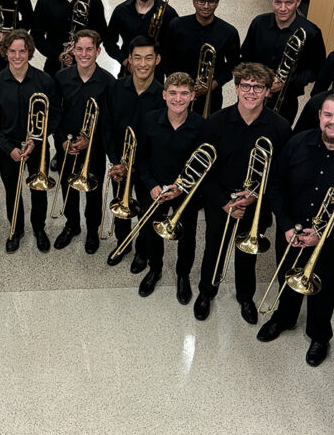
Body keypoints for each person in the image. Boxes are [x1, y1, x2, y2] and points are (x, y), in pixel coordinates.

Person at [259, 94, 334, 366]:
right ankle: (284, 318)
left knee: (324, 289)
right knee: (288, 276)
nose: (333, 121)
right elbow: (276, 187)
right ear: (320, 116)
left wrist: (321, 234)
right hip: (293, 232)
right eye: (328, 115)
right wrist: (287, 226)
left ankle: (318, 335)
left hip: (333, 241)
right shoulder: (297, 144)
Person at [195, 63, 291, 323]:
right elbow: (204, 169)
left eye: (258, 87)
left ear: (267, 92)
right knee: (214, 248)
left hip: (255, 203)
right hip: (221, 199)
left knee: (248, 253)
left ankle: (245, 297)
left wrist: (254, 196)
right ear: (236, 88)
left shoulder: (280, 128)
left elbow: (281, 175)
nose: (251, 92)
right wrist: (225, 202)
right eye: (246, 86)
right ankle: (206, 292)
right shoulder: (215, 123)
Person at [0, 29, 61, 253]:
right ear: (5, 52)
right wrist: (9, 149)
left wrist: (36, 141)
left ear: (30, 52)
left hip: (37, 146)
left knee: (39, 191)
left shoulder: (45, 81)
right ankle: (15, 230)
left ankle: (39, 229)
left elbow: (55, 115)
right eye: (12, 51)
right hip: (10, 148)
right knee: (12, 191)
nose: (17, 56)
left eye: (22, 51)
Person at [133, 72, 205, 302]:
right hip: (154, 189)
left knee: (188, 236)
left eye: (184, 93)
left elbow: (203, 165)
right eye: (173, 93)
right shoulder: (149, 120)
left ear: (193, 96)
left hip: (185, 191)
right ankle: (155, 268)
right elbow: (141, 159)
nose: (178, 98)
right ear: (164, 95)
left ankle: (182, 275)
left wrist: (182, 187)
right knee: (151, 231)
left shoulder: (202, 126)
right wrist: (152, 185)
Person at [102, 36, 166, 269]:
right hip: (121, 163)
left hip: (149, 168)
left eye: (149, 58)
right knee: (120, 205)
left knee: (147, 212)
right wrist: (115, 161)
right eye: (137, 57)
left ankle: (142, 250)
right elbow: (107, 125)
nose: (142, 63)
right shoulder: (116, 88)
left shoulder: (164, 96)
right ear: (128, 60)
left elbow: (162, 140)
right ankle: (122, 242)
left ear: (157, 60)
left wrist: (138, 167)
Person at [52, 29, 114, 253]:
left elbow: (109, 120)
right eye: (79, 49)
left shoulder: (108, 81)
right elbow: (55, 114)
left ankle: (91, 230)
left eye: (89, 49)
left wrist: (91, 140)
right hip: (66, 146)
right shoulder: (60, 78)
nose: (84, 54)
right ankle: (72, 225)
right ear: (72, 50)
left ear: (98, 51)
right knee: (68, 187)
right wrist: (61, 141)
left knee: (93, 193)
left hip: (94, 149)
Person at [241, 0, 326, 123]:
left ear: (298, 2)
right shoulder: (258, 23)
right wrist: (259, 81)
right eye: (278, 2)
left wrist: (286, 82)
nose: (282, 8)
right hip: (252, 95)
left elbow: (316, 70)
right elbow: (245, 58)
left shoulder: (311, 33)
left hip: (286, 101)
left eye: (289, 3)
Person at [165, 0, 242, 116]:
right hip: (178, 93)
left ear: (217, 3)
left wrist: (213, 84)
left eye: (211, 1)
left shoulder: (229, 32)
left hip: (211, 96)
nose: (206, 6)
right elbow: (166, 57)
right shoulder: (176, 26)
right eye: (201, 1)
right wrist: (178, 84)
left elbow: (234, 65)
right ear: (194, 1)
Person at [105, 0, 178, 75]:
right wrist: (125, 62)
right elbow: (109, 42)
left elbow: (175, 48)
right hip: (127, 73)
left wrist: (161, 65)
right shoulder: (121, 10)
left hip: (155, 75)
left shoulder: (168, 13)